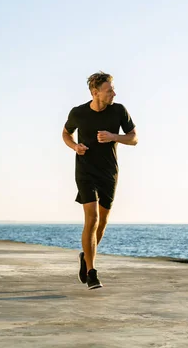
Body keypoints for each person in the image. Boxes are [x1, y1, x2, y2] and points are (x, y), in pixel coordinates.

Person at [62, 71, 138, 289]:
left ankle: (85, 256)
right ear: (95, 93)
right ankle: (92, 272)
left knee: (102, 223)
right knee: (92, 217)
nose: (114, 93)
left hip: (109, 172)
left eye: (112, 89)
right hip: (85, 171)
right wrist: (75, 146)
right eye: (109, 90)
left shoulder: (119, 111)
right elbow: (65, 133)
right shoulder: (78, 113)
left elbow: (134, 138)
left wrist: (114, 137)